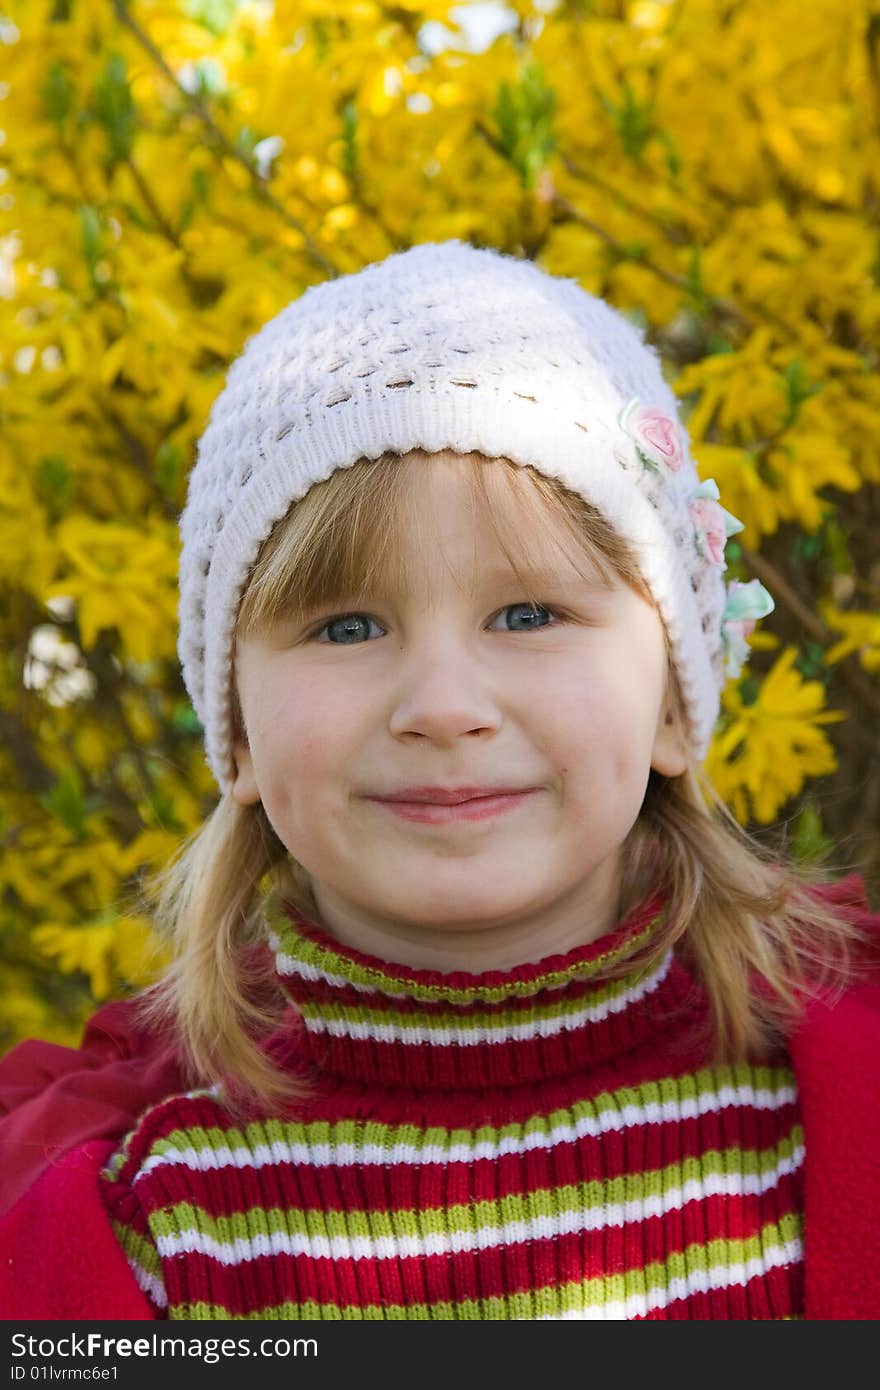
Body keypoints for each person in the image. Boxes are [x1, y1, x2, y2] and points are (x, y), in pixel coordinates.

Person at [2, 240, 879, 1321]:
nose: (441, 703)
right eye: (348, 625)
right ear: (234, 733)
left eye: (526, 615)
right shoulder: (158, 1229)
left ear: (669, 696)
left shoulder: (823, 1130)